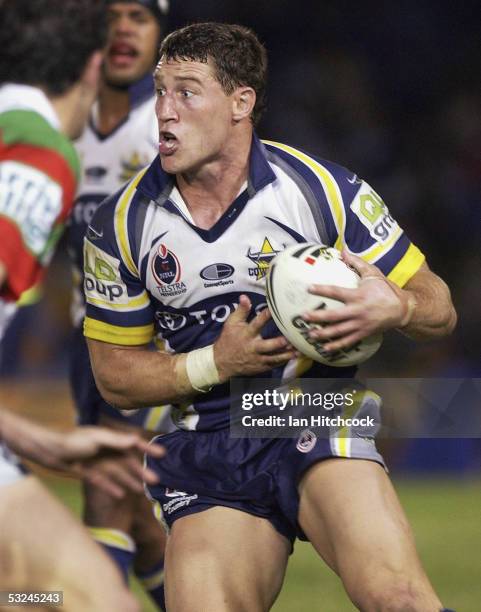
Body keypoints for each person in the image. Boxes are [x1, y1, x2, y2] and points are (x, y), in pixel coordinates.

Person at [83, 22, 458, 612]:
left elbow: (440, 307)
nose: (163, 111)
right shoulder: (120, 224)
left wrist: (400, 305)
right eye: (158, 92)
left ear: (241, 102)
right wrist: (216, 362)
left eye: (186, 91)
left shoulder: (322, 190)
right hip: (206, 439)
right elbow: (115, 377)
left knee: (401, 600)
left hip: (315, 412)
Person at [0, 1, 160, 609]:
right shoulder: (38, 158)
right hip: (104, 353)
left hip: (150, 349)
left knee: (56, 591)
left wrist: (38, 443)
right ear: (93, 66)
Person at [68, 0, 170, 604]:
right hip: (90, 341)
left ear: (161, 34)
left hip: (156, 342)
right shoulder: (61, 128)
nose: (125, 27)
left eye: (141, 15)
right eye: (112, 14)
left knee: (105, 488)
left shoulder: (167, 127)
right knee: (137, 519)